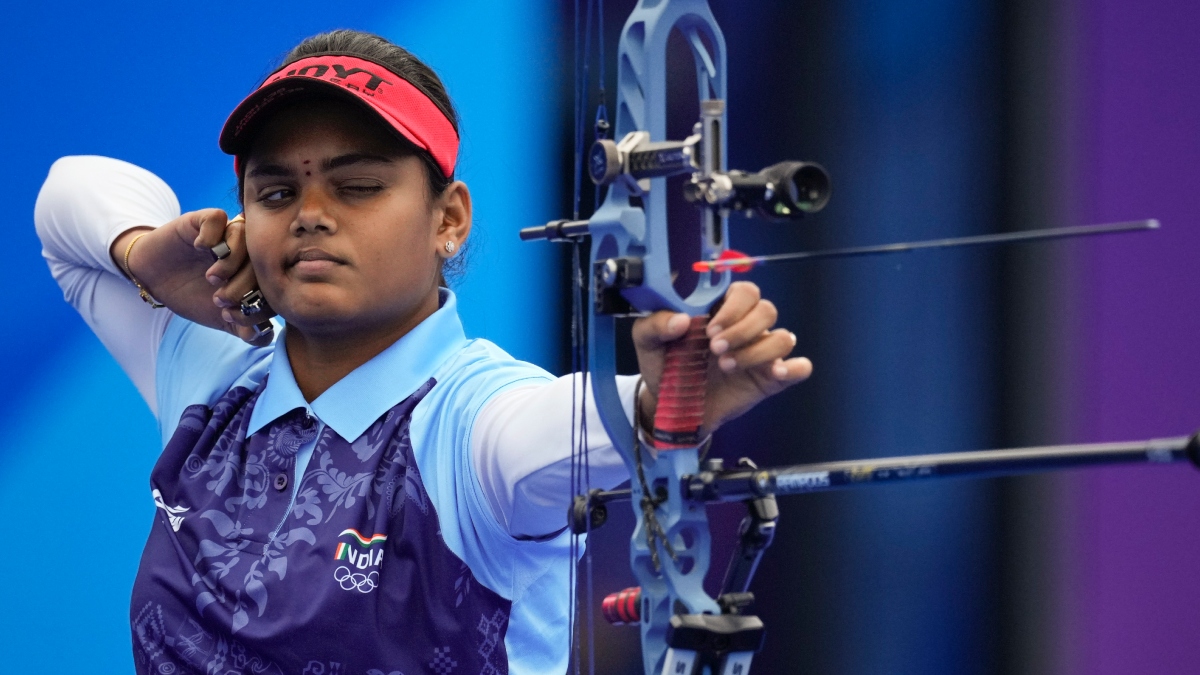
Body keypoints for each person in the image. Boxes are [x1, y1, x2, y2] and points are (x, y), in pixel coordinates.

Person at [34, 29, 811, 675]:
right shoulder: (216, 371)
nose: (309, 215)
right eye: (275, 194)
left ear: (449, 218)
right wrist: (144, 256)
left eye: (358, 186)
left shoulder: (469, 422)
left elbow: (564, 427)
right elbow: (66, 198)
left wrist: (664, 402)